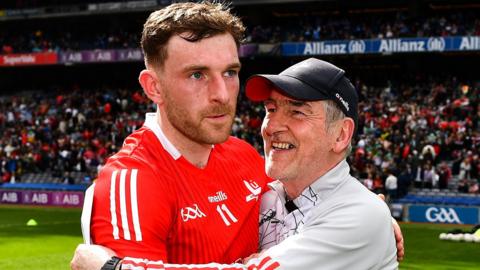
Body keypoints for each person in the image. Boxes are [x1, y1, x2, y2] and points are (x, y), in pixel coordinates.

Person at [72, 57, 400, 270]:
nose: (273, 126)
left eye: (297, 111)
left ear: (341, 135)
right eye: (271, 109)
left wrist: (112, 268)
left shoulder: (360, 216)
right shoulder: (270, 195)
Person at [72, 2, 270, 269]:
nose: (222, 94)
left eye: (230, 72)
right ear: (153, 87)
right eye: (197, 75)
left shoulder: (245, 154)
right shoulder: (133, 179)